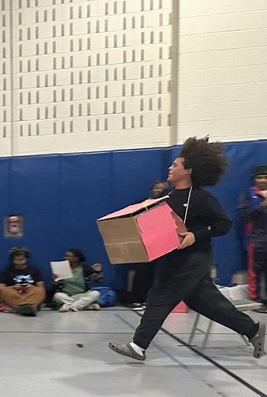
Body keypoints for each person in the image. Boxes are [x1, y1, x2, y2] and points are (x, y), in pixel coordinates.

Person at [110, 137, 266, 361]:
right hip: (175, 258)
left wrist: (196, 234)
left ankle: (138, 345)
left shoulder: (202, 198)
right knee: (202, 300)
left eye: (175, 165)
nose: (170, 167)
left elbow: (224, 224)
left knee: (160, 294)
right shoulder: (164, 196)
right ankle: (252, 329)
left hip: (195, 257)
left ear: (189, 170)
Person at [130, 181, 171, 309]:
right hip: (142, 240)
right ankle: (138, 298)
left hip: (162, 241)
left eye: (161, 189)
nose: (157, 191)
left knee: (158, 271)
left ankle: (151, 299)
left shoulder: (167, 205)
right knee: (142, 269)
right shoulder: (142, 204)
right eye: (155, 188)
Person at [237, 164, 267, 304]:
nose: (263, 180)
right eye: (260, 177)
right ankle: (256, 299)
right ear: (255, 179)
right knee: (255, 270)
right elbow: (243, 214)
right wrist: (261, 206)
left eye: (266, 177)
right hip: (256, 239)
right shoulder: (249, 194)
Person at [0, 247, 45, 316]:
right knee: (6, 292)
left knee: (40, 292)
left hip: (29, 293)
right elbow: (0, 288)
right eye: (16, 260)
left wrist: (30, 287)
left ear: (26, 259)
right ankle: (25, 307)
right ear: (12, 260)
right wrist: (13, 287)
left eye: (22, 259)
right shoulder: (6, 270)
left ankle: (25, 307)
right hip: (14, 292)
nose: (19, 262)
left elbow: (41, 287)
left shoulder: (34, 270)